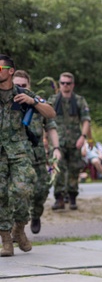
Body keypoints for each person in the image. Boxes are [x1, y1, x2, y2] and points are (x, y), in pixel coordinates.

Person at [0, 55, 55, 255]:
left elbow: (50, 113)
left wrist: (32, 102)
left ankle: (19, 228)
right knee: (1, 195)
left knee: (23, 189)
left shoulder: (24, 93)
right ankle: (6, 241)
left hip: (19, 151)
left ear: (10, 71)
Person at [11, 70, 59, 234]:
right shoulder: (5, 101)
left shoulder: (37, 101)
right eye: (17, 85)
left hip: (37, 158)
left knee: (41, 192)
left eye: (24, 86)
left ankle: (36, 214)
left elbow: (51, 124)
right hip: (14, 158)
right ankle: (17, 229)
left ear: (29, 86)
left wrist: (56, 148)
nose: (21, 89)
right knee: (17, 194)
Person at [51, 71, 91, 211]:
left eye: (68, 83)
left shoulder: (79, 100)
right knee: (58, 169)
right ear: (59, 84)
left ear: (72, 85)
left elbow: (86, 120)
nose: (65, 86)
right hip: (58, 142)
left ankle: (72, 197)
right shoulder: (53, 100)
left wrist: (84, 137)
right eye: (62, 83)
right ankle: (59, 198)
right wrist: (45, 138)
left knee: (74, 170)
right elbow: (46, 120)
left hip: (75, 141)